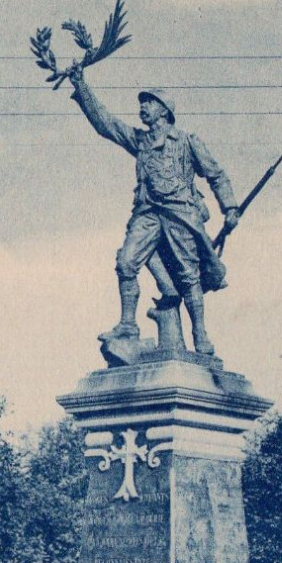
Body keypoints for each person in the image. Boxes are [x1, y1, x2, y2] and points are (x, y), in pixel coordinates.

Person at [68, 68, 240, 355]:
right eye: (142, 103)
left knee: (188, 276)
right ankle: (127, 325)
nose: (142, 108)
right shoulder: (140, 140)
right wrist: (81, 85)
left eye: (148, 102)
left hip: (180, 213)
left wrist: (230, 206)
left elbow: (216, 174)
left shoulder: (187, 141)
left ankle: (200, 333)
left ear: (164, 110)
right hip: (147, 213)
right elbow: (105, 124)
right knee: (125, 262)